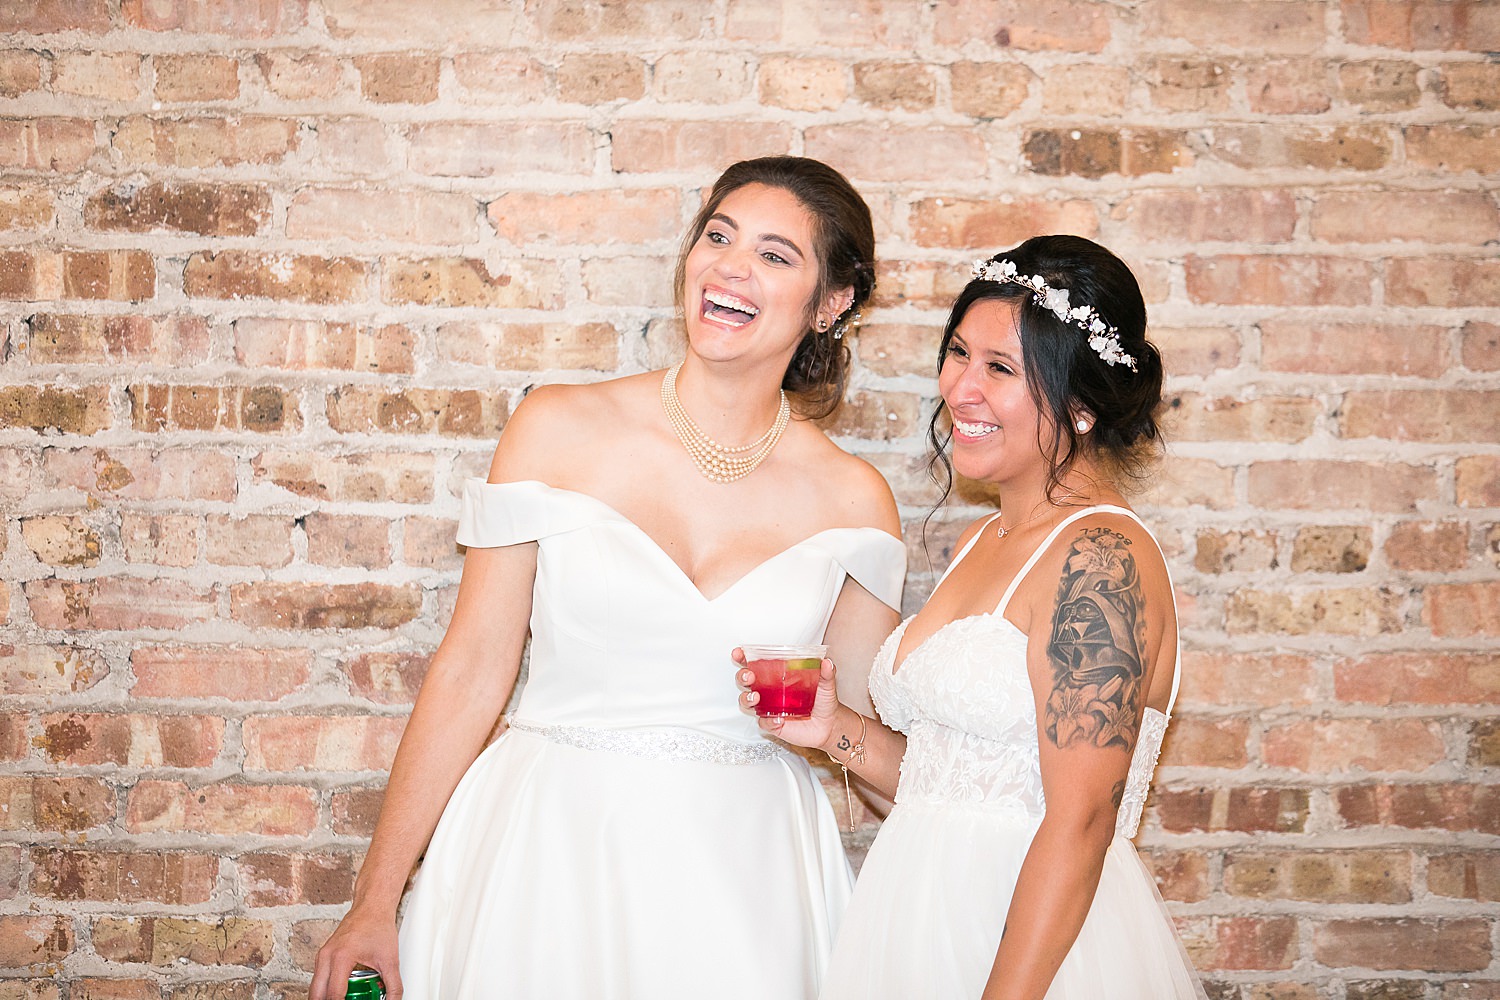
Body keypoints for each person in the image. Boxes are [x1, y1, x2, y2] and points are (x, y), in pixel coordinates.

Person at [310, 157, 906, 1000]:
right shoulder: (556, 427)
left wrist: (836, 730)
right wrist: (375, 901)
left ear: (832, 302)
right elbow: (473, 667)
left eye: (776, 256)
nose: (731, 266)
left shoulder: (856, 501)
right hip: (547, 852)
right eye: (719, 236)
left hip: (747, 884)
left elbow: (870, 750)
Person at [745, 235, 1206, 999]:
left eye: (1000, 370)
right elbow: (951, 783)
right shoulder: (983, 539)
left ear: (1083, 404)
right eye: (958, 354)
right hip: (918, 921)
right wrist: (832, 729)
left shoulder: (1100, 559)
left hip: (1029, 949)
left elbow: (1082, 820)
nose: (961, 388)